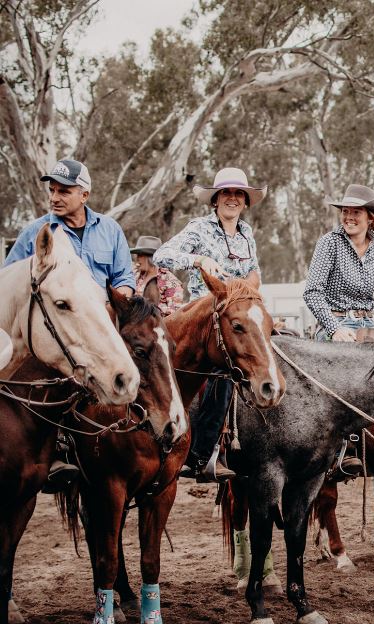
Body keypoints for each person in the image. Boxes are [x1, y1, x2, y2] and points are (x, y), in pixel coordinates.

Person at [4, 158, 136, 489]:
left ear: (85, 194)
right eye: (52, 190)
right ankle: (58, 449)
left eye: (65, 190)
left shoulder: (110, 230)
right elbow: (10, 281)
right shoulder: (37, 233)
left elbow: (124, 277)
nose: (55, 197)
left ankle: (153, 435)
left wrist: (112, 301)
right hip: (57, 328)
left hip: (102, 322)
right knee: (52, 370)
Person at [153, 166, 267, 482]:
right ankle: (201, 453)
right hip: (205, 316)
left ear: (245, 201)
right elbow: (163, 255)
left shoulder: (247, 234)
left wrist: (249, 289)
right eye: (226, 193)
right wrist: (198, 260)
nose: (232, 198)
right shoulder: (199, 228)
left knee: (273, 350)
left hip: (240, 313)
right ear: (215, 200)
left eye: (238, 194)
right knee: (224, 367)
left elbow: (256, 272)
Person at [302, 184, 374, 341]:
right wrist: (335, 329)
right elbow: (312, 292)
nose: (349, 217)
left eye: (356, 211)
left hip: (368, 326)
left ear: (370, 217)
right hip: (335, 324)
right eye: (345, 211)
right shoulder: (330, 242)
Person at [130, 235, 184, 315]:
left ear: (150, 257)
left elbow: (175, 312)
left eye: (140, 255)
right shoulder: (135, 276)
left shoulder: (170, 281)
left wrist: (149, 310)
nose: (137, 258)